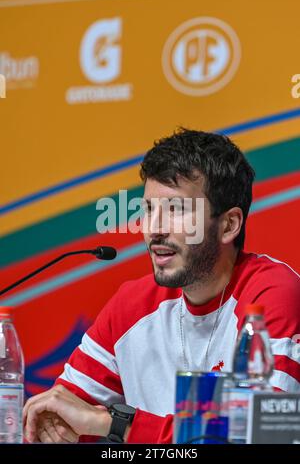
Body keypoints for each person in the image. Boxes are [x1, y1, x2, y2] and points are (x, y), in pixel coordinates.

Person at [23, 129, 300, 444]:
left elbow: (264, 436)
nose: (153, 229)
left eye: (176, 210)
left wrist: (117, 424)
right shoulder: (131, 305)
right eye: (149, 210)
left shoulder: (271, 295)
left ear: (229, 225)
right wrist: (56, 429)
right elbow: (60, 417)